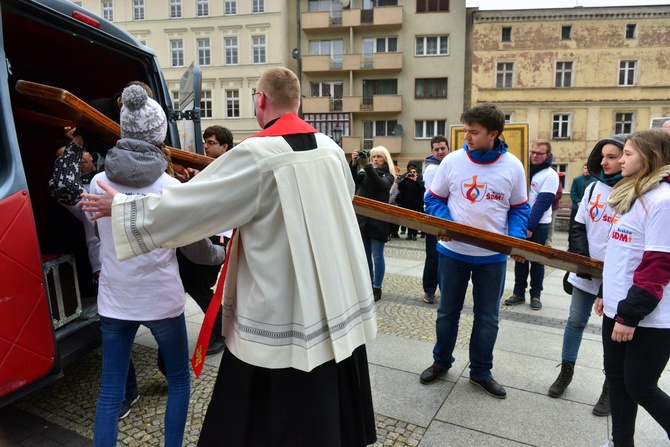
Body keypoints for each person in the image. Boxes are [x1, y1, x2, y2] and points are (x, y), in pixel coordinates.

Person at [81, 67, 377, 447]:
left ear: (261, 100)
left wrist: (121, 207)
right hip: (335, 299)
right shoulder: (332, 150)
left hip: (282, 305)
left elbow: (192, 205)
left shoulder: (257, 154)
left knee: (268, 410)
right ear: (297, 101)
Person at [86, 84, 192, 446]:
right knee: (178, 380)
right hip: (161, 297)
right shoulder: (169, 186)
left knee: (111, 389)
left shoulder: (98, 181)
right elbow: (190, 244)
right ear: (160, 132)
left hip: (116, 298)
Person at [419, 103, 530, 399]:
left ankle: (481, 371)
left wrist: (516, 240)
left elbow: (519, 209)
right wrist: (449, 224)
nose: (467, 136)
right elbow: (434, 199)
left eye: (474, 132)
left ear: (493, 134)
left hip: (492, 258)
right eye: (466, 130)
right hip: (452, 252)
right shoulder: (452, 161)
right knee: (446, 312)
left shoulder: (512, 166)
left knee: (488, 317)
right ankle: (441, 362)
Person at [595, 129, 670, 447]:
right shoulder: (632, 194)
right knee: (617, 381)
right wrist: (604, 292)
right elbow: (621, 254)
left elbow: (657, 265)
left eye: (627, 153)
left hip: (649, 317)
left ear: (650, 157)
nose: (619, 160)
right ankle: (621, 442)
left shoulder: (663, 201)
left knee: (640, 385)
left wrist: (628, 315)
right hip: (617, 308)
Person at [547, 134, 627, 418]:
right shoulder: (593, 189)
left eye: (612, 157)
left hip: (618, 276)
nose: (605, 162)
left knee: (612, 335)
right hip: (587, 270)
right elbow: (578, 227)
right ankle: (566, 372)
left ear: (626, 158)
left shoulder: (633, 192)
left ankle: (610, 387)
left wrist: (606, 278)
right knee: (575, 321)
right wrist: (584, 261)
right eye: (603, 156)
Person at [176, 125, 234, 356]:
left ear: (224, 146)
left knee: (199, 285)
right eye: (206, 143)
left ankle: (220, 331)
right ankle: (219, 329)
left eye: (211, 143)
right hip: (207, 232)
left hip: (219, 234)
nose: (206, 147)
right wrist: (187, 179)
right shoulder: (211, 168)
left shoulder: (228, 169)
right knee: (194, 284)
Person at [506, 139, 559, 310]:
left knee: (537, 260)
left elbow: (542, 203)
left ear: (548, 155)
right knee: (520, 258)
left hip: (540, 223)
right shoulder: (525, 170)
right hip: (521, 219)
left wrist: (529, 226)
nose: (535, 155)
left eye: (539, 153)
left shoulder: (550, 174)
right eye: (533, 152)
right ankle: (518, 292)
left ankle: (536, 294)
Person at [351, 146, 396, 302]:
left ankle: (377, 287)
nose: (375, 159)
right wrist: (354, 164)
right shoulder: (364, 172)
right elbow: (351, 183)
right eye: (373, 156)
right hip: (363, 219)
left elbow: (380, 185)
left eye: (379, 157)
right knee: (365, 256)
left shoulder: (389, 176)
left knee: (377, 256)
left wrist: (367, 166)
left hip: (378, 220)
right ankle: (368, 285)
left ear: (385, 159)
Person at [422, 135, 450, 304]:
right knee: (433, 256)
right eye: (437, 149)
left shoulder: (453, 164)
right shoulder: (432, 169)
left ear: (448, 148)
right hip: (434, 216)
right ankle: (429, 290)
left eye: (443, 148)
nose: (440, 152)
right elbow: (433, 195)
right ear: (432, 151)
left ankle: (445, 289)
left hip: (450, 216)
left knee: (448, 256)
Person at [569, 163, 597, 251]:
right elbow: (573, 192)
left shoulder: (595, 181)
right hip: (576, 208)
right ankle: (571, 248)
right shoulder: (577, 180)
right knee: (573, 228)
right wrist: (577, 201)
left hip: (589, 210)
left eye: (588, 168)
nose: (587, 170)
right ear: (582, 169)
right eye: (585, 168)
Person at [396, 161, 425, 241]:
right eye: (411, 172)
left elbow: (422, 189)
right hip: (406, 202)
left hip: (416, 202)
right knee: (408, 218)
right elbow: (400, 187)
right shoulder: (406, 180)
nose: (412, 173)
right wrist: (406, 178)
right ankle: (409, 234)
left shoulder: (419, 179)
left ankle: (414, 234)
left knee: (415, 219)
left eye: (414, 172)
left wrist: (415, 180)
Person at [545, 172, 563, 248]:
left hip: (553, 207)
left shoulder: (558, 183)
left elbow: (559, 195)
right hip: (544, 206)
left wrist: (548, 199)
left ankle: (549, 241)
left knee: (551, 225)